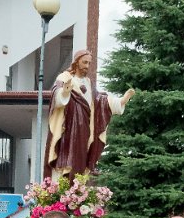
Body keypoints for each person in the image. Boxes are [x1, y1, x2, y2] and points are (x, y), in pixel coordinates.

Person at [43, 50, 135, 181]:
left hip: (85, 128)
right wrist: (64, 92)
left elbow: (100, 100)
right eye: (84, 62)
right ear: (76, 62)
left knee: (80, 157)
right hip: (68, 127)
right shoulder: (64, 77)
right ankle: (65, 187)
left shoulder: (88, 83)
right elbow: (56, 95)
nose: (87, 66)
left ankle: (77, 188)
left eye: (89, 63)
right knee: (67, 157)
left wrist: (120, 102)